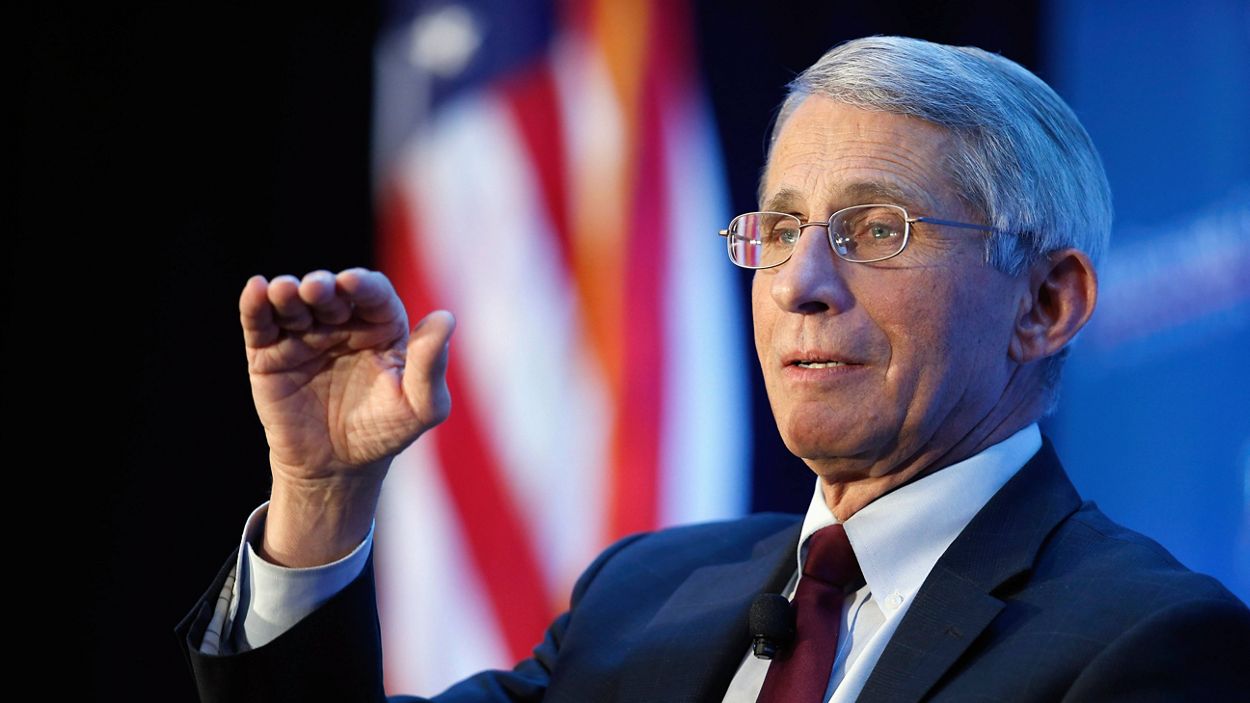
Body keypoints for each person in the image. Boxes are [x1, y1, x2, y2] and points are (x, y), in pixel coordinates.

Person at [176, 36, 1250, 702]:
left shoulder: (1145, 644)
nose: (800, 284)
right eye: (777, 231)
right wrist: (321, 496)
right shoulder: (640, 596)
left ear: (1045, 303)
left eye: (876, 230)